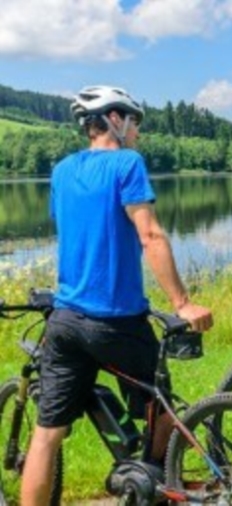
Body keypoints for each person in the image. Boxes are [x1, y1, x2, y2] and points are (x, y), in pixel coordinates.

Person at [21, 86, 213, 505]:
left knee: (46, 435)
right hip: (118, 321)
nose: (138, 132)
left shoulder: (62, 171)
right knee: (160, 406)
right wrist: (182, 302)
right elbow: (149, 234)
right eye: (135, 122)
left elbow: (75, 228)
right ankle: (157, 486)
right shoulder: (128, 164)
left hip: (66, 320)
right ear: (114, 119)